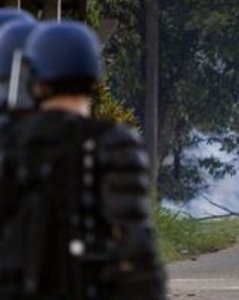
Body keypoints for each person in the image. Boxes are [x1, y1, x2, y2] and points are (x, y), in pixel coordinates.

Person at [0, 21, 166, 299]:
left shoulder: (9, 141)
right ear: (93, 77)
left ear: (37, 80)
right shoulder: (115, 142)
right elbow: (136, 249)